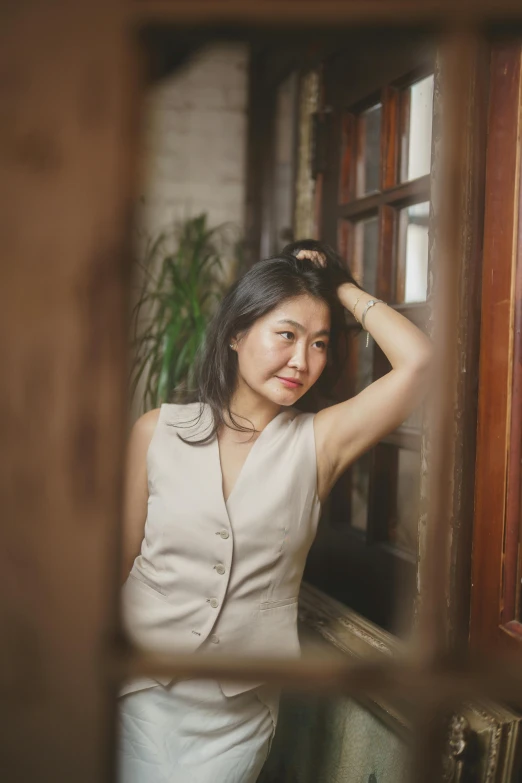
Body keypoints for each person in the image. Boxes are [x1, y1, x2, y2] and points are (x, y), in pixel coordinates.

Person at [117, 240, 432, 783]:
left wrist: (338, 288)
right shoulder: (156, 431)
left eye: (319, 343)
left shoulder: (319, 441)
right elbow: (114, 568)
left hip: (236, 713)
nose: (301, 361)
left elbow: (422, 365)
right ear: (237, 334)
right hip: (135, 688)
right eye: (286, 334)